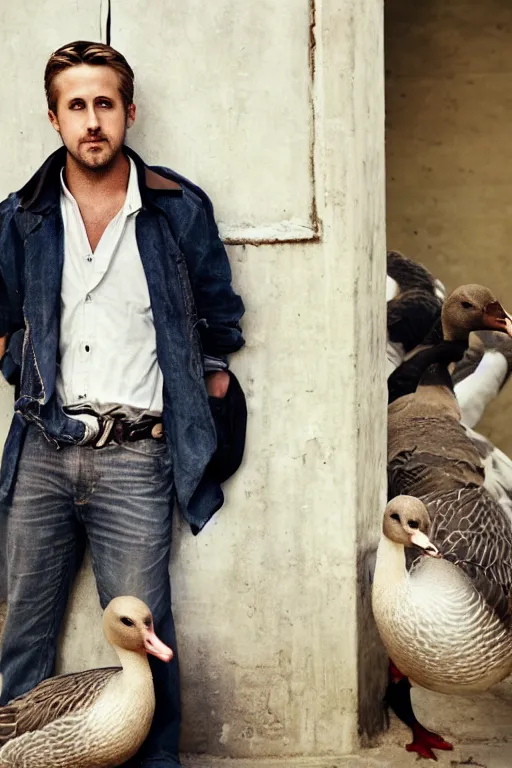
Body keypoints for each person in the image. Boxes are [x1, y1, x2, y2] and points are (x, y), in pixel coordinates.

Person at [0, 40, 245, 768]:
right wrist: (19, 361)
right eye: (77, 106)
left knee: (146, 637)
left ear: (129, 112)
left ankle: (154, 764)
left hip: (138, 457)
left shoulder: (176, 210)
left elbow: (222, 318)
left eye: (105, 103)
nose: (93, 121)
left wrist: (202, 387)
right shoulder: (21, 217)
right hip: (43, 450)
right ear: (54, 119)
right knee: (22, 638)